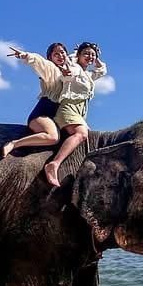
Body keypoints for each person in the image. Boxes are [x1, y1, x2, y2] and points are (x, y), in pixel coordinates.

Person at [43, 42, 108, 188]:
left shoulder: (88, 75)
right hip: (68, 108)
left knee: (89, 140)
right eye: (86, 53)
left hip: (79, 112)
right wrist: (74, 54)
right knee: (81, 134)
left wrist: (96, 56)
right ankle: (53, 164)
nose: (90, 57)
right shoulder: (74, 67)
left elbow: (102, 70)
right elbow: (68, 62)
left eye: (92, 55)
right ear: (78, 55)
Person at [0, 42, 74, 160]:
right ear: (50, 58)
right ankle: (14, 144)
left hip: (58, 116)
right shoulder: (50, 69)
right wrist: (25, 55)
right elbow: (39, 61)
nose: (60, 56)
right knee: (52, 137)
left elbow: (74, 58)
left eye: (62, 52)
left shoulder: (70, 68)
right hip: (42, 115)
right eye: (56, 54)